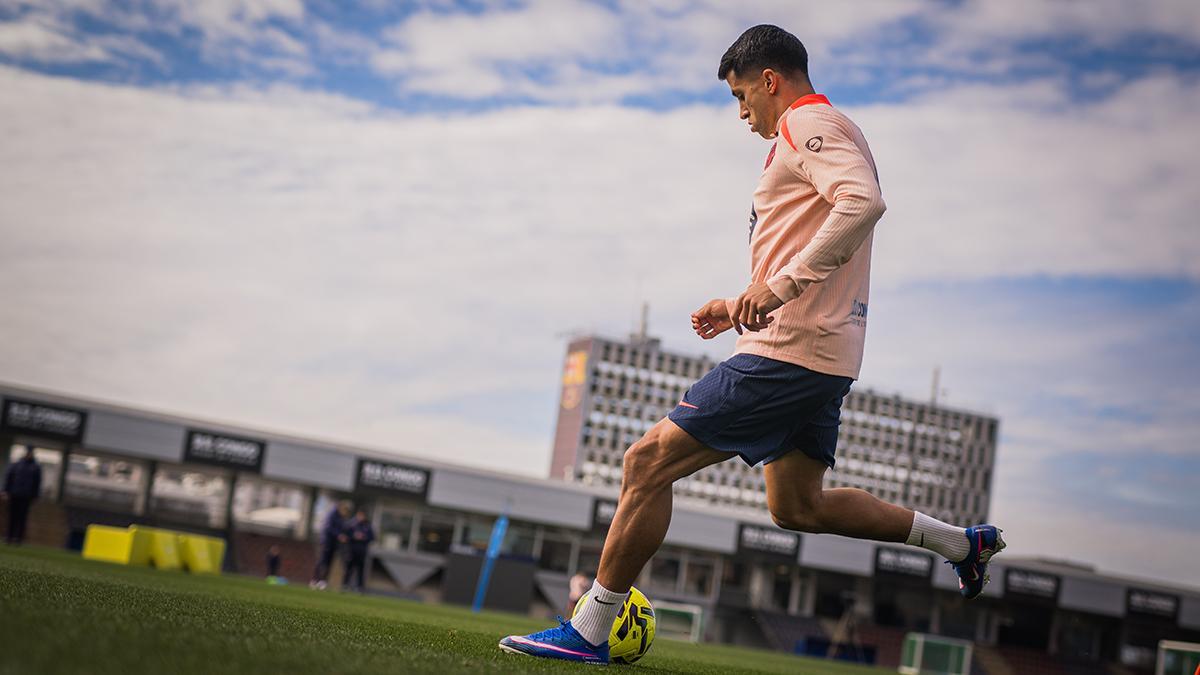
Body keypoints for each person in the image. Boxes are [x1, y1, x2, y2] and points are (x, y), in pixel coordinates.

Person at [499, 25, 1006, 664]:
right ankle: (961, 544)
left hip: (788, 353)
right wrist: (743, 298)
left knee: (645, 463)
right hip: (821, 355)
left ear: (770, 81)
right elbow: (812, 231)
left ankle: (590, 629)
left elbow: (862, 203)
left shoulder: (806, 123)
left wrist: (778, 290)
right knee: (798, 507)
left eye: (741, 96)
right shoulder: (823, 132)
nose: (741, 113)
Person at [2, 446, 42, 545]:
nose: (29, 454)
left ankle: (18, 538)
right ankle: (9, 536)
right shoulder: (16, 465)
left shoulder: (35, 467)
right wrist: (5, 491)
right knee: (12, 516)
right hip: (14, 494)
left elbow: (37, 483)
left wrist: (35, 496)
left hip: (26, 496)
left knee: (22, 518)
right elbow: (9, 478)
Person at [310, 500, 350, 590]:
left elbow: (343, 529)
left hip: (334, 543)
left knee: (329, 562)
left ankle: (323, 581)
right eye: (345, 511)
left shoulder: (341, 518)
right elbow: (328, 527)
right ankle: (314, 579)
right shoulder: (332, 514)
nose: (345, 514)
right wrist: (339, 535)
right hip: (326, 541)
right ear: (341, 508)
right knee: (322, 561)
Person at [341, 509, 374, 592]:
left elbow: (372, 537)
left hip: (362, 551)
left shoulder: (367, 525)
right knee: (348, 569)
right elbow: (345, 536)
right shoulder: (351, 524)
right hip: (351, 550)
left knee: (361, 570)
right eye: (360, 515)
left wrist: (363, 537)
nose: (361, 517)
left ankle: (360, 587)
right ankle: (345, 585)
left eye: (363, 516)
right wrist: (354, 536)